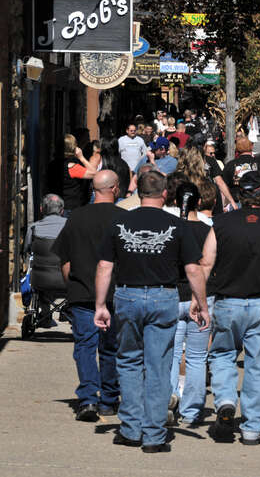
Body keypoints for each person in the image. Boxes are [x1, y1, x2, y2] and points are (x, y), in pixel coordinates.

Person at [94, 170, 209, 453]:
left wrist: (100, 305)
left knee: (129, 361)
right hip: (163, 296)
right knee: (158, 365)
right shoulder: (177, 225)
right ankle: (154, 435)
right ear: (165, 194)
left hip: (128, 295)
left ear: (138, 192)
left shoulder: (119, 222)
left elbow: (104, 266)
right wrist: (202, 304)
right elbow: (193, 269)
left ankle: (131, 429)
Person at [201, 171, 260, 445]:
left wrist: (199, 299)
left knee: (222, 355)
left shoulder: (220, 224)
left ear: (240, 194)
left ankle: (226, 400)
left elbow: (206, 263)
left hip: (227, 302)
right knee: (258, 365)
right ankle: (253, 428)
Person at [52, 171, 125, 422]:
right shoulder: (123, 218)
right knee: (111, 347)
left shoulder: (76, 218)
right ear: (115, 188)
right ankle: (109, 398)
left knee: (84, 346)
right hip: (114, 293)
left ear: (94, 189)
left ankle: (88, 398)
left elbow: (64, 258)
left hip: (82, 291)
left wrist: (71, 284)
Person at [167, 182, 214, 427]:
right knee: (197, 356)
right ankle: (192, 410)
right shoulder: (209, 231)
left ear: (176, 202)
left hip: (173, 295)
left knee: (171, 354)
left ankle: (169, 397)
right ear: (199, 202)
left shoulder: (170, 229)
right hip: (202, 296)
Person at [24, 194, 69, 330]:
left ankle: (45, 314)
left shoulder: (33, 228)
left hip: (40, 279)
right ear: (62, 210)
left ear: (41, 209)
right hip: (66, 278)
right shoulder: (71, 226)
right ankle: (68, 310)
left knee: (42, 285)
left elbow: (26, 249)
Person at [51, 134, 98, 213]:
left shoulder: (52, 165)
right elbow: (95, 174)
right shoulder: (72, 167)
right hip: (71, 208)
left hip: (56, 206)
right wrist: (81, 157)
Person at [222, 137, 260, 202]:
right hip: (258, 200)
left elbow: (223, 185)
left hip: (236, 201)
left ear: (236, 148)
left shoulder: (230, 165)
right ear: (251, 146)